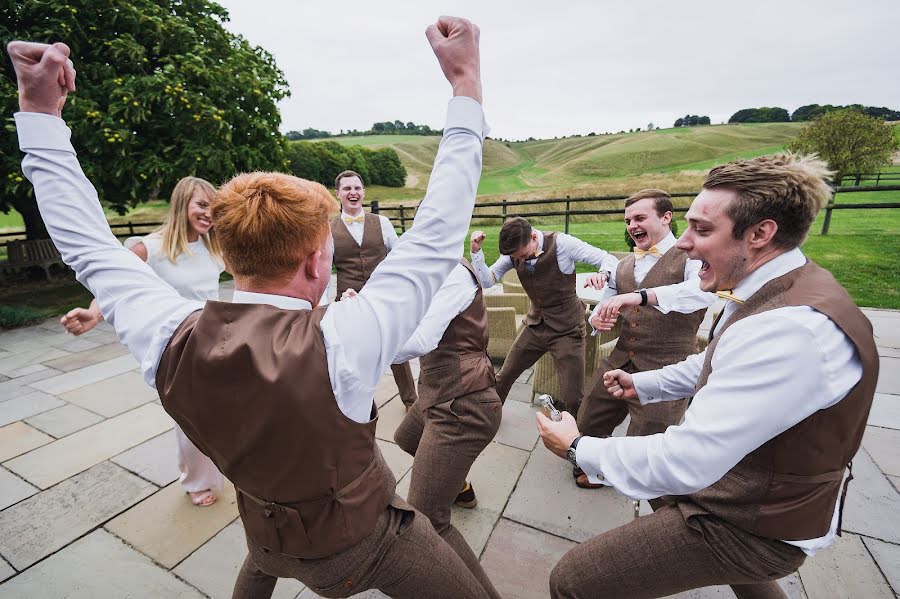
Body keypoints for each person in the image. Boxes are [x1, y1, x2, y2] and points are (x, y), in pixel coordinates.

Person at [11, 16, 498, 599]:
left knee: (265, 558)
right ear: (317, 265)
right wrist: (465, 82)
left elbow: (88, 246)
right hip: (363, 547)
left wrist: (39, 115)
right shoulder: (344, 339)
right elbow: (437, 233)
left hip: (266, 530)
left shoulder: (169, 332)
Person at [535, 154, 879, 599]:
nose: (684, 244)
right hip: (748, 490)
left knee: (574, 581)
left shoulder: (789, 330)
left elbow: (687, 461)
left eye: (701, 229)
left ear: (760, 234)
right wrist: (646, 383)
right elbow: (719, 361)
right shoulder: (773, 289)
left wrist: (579, 447)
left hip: (753, 521)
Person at [59, 176, 226, 507]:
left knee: (222, 411)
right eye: (201, 205)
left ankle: (228, 465)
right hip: (174, 344)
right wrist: (95, 313)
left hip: (212, 337)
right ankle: (197, 480)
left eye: (214, 207)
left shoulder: (213, 247)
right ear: (182, 205)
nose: (209, 214)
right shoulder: (152, 247)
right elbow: (114, 281)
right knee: (192, 416)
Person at [573, 189, 716, 489]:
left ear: (666, 218)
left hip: (668, 363)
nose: (632, 226)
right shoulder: (624, 265)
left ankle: (622, 478)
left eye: (639, 218)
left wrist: (642, 296)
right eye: (627, 221)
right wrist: (597, 320)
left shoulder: (692, 258)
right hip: (621, 357)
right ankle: (593, 461)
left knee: (648, 437)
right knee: (589, 416)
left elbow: (699, 293)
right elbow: (605, 305)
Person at [390, 257, 502, 599]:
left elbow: (422, 338)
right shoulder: (428, 269)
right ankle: (457, 485)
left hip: (463, 406)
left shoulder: (453, 274)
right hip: (439, 395)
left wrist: (364, 348)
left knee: (428, 521)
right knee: (406, 436)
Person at [470, 218, 617, 415]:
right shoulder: (515, 252)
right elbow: (488, 281)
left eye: (522, 256)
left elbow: (607, 258)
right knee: (504, 376)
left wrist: (603, 274)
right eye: (516, 258)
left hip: (567, 330)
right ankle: (487, 419)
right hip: (534, 327)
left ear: (532, 236)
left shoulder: (562, 244)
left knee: (573, 397)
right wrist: (476, 253)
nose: (520, 261)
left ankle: (582, 439)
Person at [330, 170, 418, 410]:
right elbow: (324, 268)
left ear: (364, 192)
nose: (353, 193)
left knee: (396, 350)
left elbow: (398, 258)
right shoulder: (328, 230)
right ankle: (357, 405)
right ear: (338, 194)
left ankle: (411, 402)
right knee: (353, 355)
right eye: (347, 189)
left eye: (357, 188)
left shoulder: (382, 223)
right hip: (349, 303)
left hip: (383, 299)